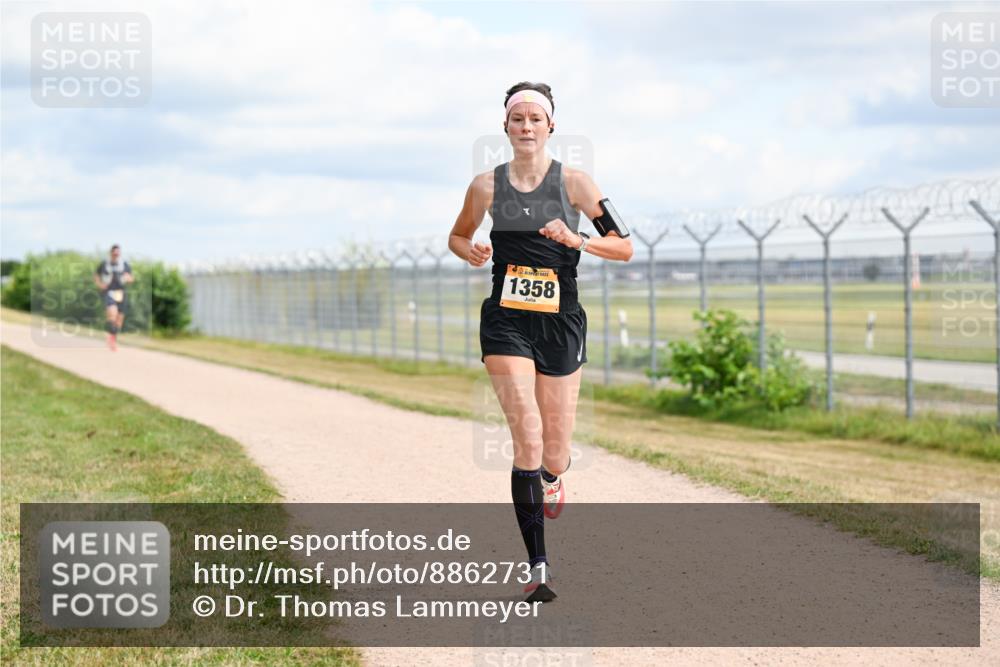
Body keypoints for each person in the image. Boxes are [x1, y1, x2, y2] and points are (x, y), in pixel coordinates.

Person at [448, 82, 633, 603]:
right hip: (506, 321)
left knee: (553, 448)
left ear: (551, 126)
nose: (526, 127)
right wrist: (471, 251)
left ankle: (554, 475)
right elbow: (457, 235)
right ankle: (538, 566)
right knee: (526, 438)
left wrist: (579, 240)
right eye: (517, 119)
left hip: (561, 321)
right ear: (505, 127)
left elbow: (625, 247)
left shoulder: (575, 182)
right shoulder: (485, 187)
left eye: (535, 118)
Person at [93, 244, 134, 351]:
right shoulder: (105, 264)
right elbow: (96, 275)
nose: (116, 254)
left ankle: (112, 338)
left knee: (119, 320)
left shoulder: (124, 264)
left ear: (119, 254)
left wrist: (128, 278)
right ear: (111, 253)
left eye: (118, 253)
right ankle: (109, 338)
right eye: (114, 252)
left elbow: (131, 278)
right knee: (112, 314)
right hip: (109, 291)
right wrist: (100, 284)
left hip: (121, 292)